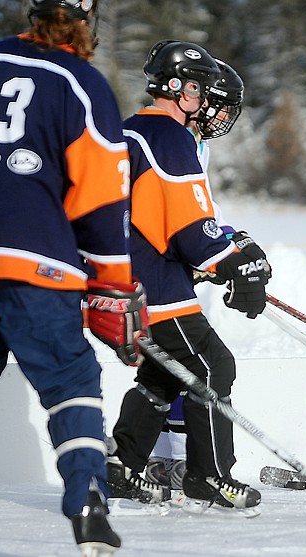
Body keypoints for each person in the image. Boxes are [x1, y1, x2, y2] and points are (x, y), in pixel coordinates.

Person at [0, 1, 146, 554]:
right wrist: (111, 287)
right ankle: (87, 500)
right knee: (70, 382)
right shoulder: (81, 82)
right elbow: (104, 201)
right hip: (42, 267)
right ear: (86, 20)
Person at [106, 40, 270, 511]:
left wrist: (223, 252)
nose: (205, 102)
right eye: (200, 89)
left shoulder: (132, 131)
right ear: (178, 89)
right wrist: (230, 263)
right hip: (154, 283)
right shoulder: (169, 136)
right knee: (213, 367)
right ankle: (210, 476)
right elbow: (189, 227)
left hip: (128, 279)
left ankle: (122, 465)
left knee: (163, 374)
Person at [143, 58, 255, 491]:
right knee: (202, 364)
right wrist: (213, 250)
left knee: (174, 366)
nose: (224, 118)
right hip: (151, 270)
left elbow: (201, 208)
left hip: (169, 268)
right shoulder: (170, 139)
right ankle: (194, 468)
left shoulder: (194, 144)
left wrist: (229, 241)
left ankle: (160, 460)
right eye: (221, 107)